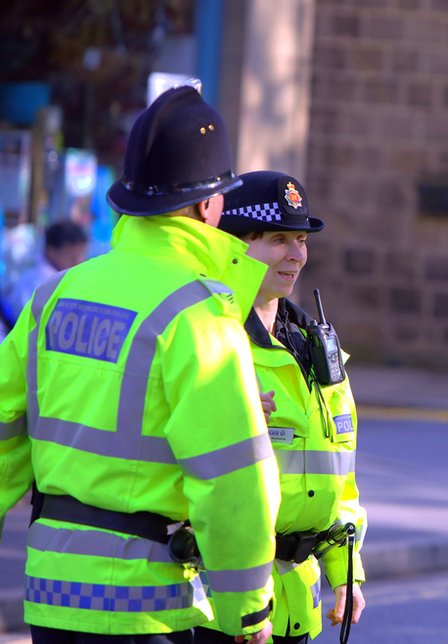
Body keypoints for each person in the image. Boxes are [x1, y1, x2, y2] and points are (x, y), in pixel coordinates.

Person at [0, 85, 281, 644]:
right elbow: (232, 480)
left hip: (53, 596)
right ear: (208, 205)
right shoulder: (199, 315)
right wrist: (247, 612)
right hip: (145, 603)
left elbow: (6, 433)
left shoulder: (55, 294)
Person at [194, 171, 367, 644]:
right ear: (234, 245)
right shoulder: (208, 339)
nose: (296, 255)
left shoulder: (316, 347)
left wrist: (346, 571)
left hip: (296, 606)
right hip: (222, 608)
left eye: (300, 240)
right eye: (277, 240)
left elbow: (339, 478)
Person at [7, 219, 89, 315]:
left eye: (81, 255)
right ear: (51, 251)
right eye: (71, 256)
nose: (79, 262)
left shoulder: (68, 278)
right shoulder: (34, 283)